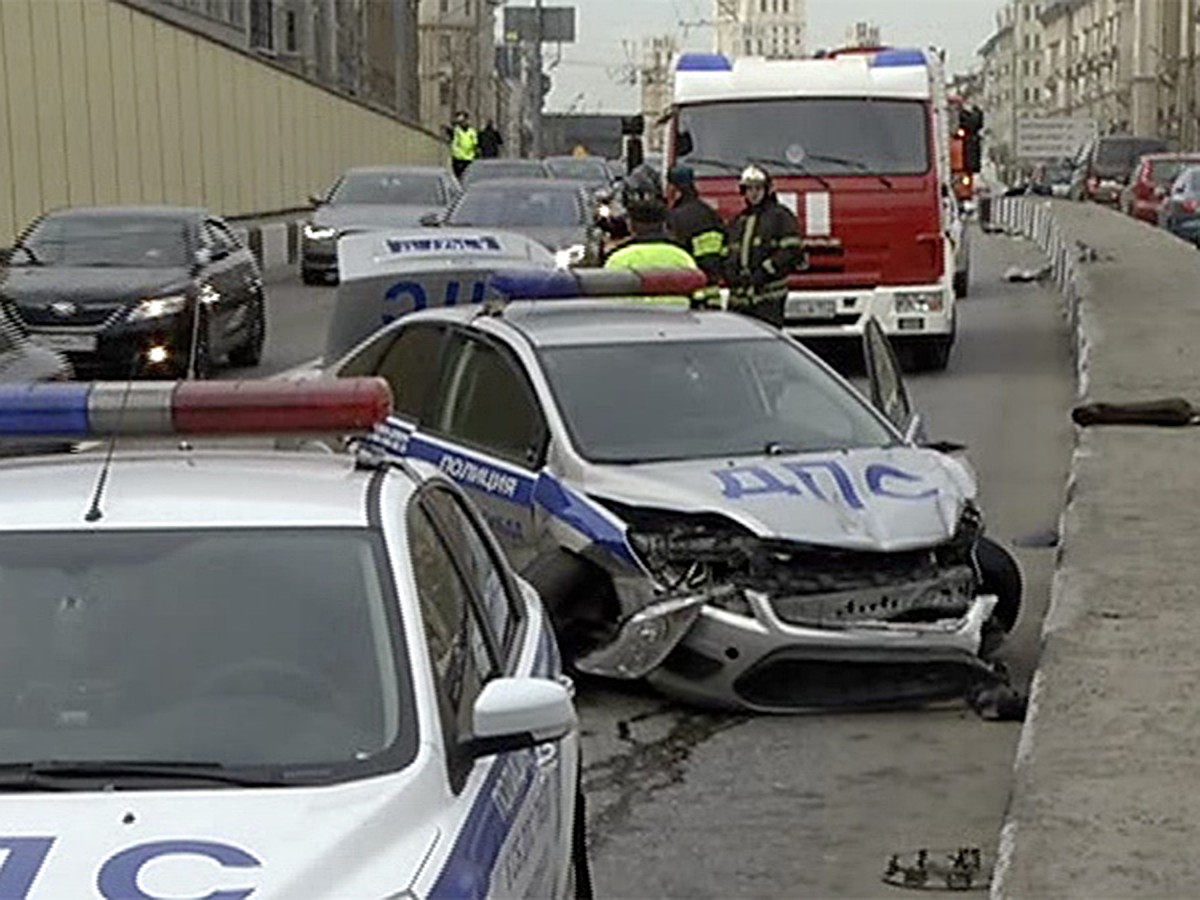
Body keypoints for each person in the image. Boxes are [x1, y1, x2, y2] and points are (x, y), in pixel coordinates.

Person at [726, 165, 805, 327]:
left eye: (758, 188)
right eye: (749, 189)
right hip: (739, 301)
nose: (753, 193)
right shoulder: (738, 221)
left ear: (767, 190)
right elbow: (728, 252)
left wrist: (765, 271)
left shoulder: (780, 217)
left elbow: (791, 251)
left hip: (769, 300)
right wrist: (730, 274)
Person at [666, 165, 728, 286]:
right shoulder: (708, 212)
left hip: (691, 279)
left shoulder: (676, 217)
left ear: (675, 188)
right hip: (714, 278)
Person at [446, 111, 478, 180]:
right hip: (458, 157)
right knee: (458, 175)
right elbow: (454, 140)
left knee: (466, 176)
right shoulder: (457, 131)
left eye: (464, 121)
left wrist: (475, 151)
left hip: (468, 157)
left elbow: (475, 142)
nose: (463, 123)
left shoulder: (472, 131)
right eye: (461, 122)